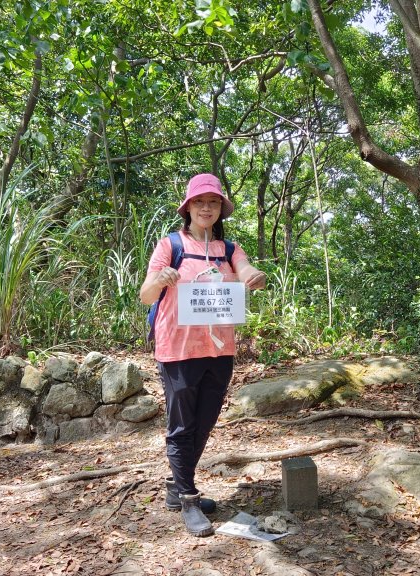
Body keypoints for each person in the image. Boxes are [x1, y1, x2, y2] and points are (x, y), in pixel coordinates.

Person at [139, 173, 266, 537]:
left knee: (205, 421)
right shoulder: (171, 245)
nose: (206, 208)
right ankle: (189, 498)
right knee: (182, 425)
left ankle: (175, 488)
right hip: (177, 350)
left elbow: (246, 271)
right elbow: (146, 295)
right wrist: (160, 278)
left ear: (220, 209)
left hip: (219, 349)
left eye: (213, 202)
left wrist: (254, 275)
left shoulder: (229, 249)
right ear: (188, 207)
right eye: (199, 202)